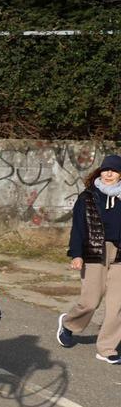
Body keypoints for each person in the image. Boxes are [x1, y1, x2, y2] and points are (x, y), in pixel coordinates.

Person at [57, 154, 121, 362]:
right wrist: (76, 254)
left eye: (114, 170)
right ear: (100, 172)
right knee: (90, 301)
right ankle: (68, 324)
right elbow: (78, 228)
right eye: (105, 170)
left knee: (117, 305)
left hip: (119, 255)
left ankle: (107, 348)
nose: (109, 174)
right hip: (94, 252)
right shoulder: (87, 197)